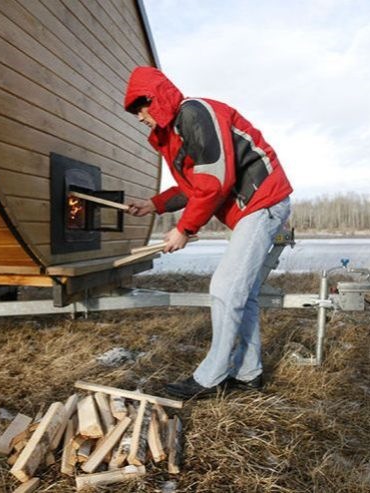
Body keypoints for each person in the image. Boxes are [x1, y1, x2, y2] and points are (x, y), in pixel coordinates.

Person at [124, 66, 293, 399]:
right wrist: (153, 204)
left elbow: (214, 180)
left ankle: (210, 377)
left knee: (225, 287)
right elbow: (193, 185)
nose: (139, 117)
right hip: (256, 209)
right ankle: (248, 374)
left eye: (139, 108)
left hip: (262, 202)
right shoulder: (177, 131)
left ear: (153, 99)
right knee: (244, 294)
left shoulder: (194, 113)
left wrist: (184, 229)